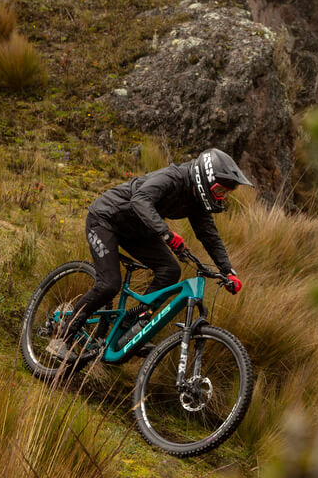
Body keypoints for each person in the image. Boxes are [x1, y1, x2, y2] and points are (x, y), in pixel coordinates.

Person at [48, 147, 251, 359]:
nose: (221, 198)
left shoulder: (198, 203)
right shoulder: (172, 178)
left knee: (170, 270)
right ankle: (62, 336)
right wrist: (166, 234)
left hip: (137, 230)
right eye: (220, 191)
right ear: (205, 180)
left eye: (225, 194)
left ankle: (129, 330)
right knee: (109, 284)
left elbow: (210, 236)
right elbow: (140, 200)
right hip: (105, 220)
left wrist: (227, 271)